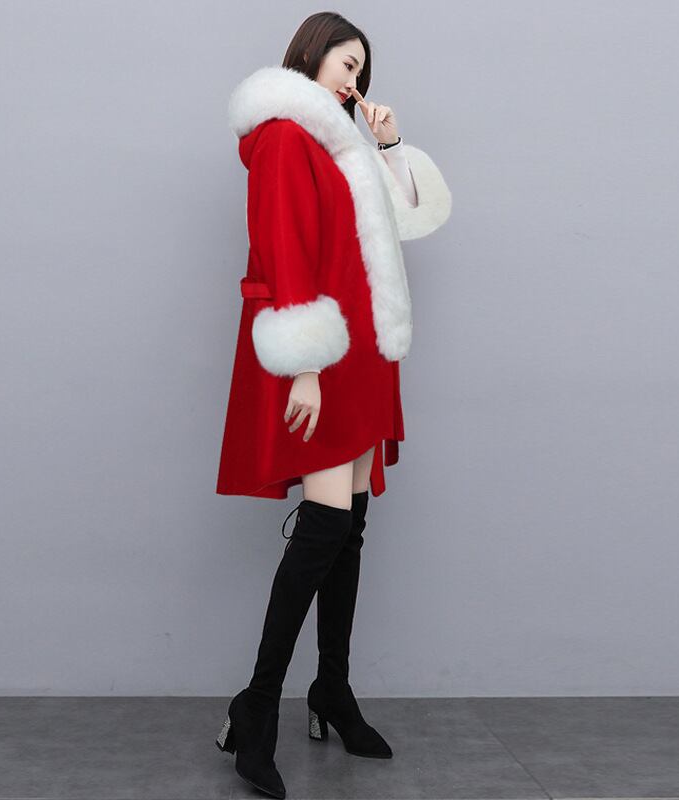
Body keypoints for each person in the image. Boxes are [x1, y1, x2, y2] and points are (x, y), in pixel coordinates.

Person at [214, 12, 452, 799]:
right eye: (347, 64)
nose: (355, 81)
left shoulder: (343, 145)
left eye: (361, 71)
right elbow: (283, 247)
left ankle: (332, 689)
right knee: (324, 526)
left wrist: (388, 146)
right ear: (312, 56)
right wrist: (306, 367)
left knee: (348, 525)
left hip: (362, 355)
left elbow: (401, 226)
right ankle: (257, 707)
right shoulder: (285, 135)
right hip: (321, 351)